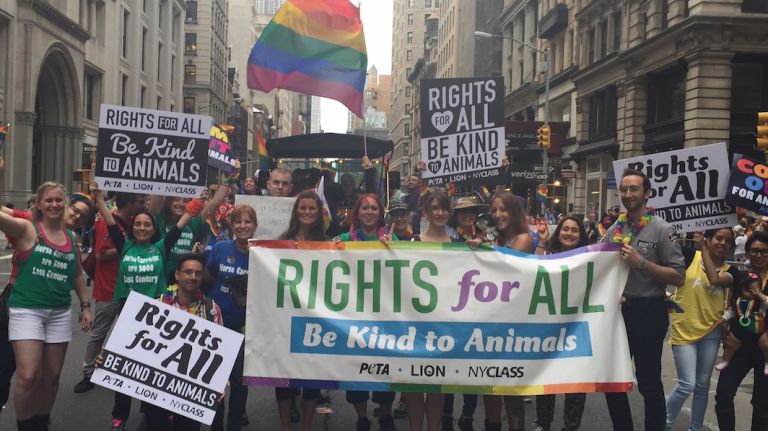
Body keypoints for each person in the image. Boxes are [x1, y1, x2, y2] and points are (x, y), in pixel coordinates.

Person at [93, 182, 220, 431]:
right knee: (124, 364)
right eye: (138, 224)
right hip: (129, 311)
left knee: (155, 364)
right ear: (132, 228)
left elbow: (182, 222)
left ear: (154, 229)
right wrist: (97, 198)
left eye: (147, 225)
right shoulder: (125, 245)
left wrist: (198, 202)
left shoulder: (162, 247)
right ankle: (120, 415)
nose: (142, 228)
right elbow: (109, 221)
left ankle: (156, 410)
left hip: (157, 313)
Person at [2, 182, 93, 431]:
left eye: (59, 200)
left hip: (59, 312)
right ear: (39, 204)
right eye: (49, 200)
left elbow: (75, 273)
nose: (54, 204)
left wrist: (85, 305)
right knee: (29, 374)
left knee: (52, 376)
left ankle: (41, 422)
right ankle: (25, 426)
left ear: (65, 204)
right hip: (27, 310)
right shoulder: (27, 229)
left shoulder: (71, 237)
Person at [603, 169, 685, 431]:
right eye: (624, 189)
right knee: (612, 379)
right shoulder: (616, 227)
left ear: (647, 193)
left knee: (648, 382)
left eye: (634, 189)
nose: (628, 194)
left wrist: (642, 262)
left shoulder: (662, 229)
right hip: (619, 312)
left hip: (649, 311)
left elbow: (678, 276)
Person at [335, 193, 397, 431]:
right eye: (365, 208)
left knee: (386, 366)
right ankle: (362, 417)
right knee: (357, 367)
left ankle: (386, 414)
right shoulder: (343, 238)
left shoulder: (392, 237)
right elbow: (320, 257)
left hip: (385, 315)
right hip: (355, 315)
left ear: (380, 213)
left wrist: (395, 248)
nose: (369, 212)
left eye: (374, 208)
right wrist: (333, 249)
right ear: (357, 213)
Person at [74, 192, 146, 393]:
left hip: (130, 288)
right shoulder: (107, 223)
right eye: (139, 202)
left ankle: (125, 370)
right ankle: (88, 373)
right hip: (109, 288)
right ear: (129, 203)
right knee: (99, 333)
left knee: (132, 334)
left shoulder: (134, 223)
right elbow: (100, 255)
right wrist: (128, 246)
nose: (143, 205)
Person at [665, 228, 737, 431]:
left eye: (728, 241)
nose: (723, 243)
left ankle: (695, 428)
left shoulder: (731, 271)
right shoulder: (689, 256)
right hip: (684, 329)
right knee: (687, 384)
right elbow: (668, 249)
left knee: (702, 385)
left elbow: (715, 280)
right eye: (719, 238)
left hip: (710, 332)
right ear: (709, 238)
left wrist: (703, 247)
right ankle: (663, 423)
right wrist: (674, 235)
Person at [144, 253, 224, 430]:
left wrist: (220, 384)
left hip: (191, 391)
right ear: (177, 275)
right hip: (159, 387)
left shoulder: (212, 309)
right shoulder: (158, 305)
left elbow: (219, 352)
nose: (193, 277)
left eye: (197, 273)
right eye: (188, 272)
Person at [274, 190, 328, 431]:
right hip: (286, 318)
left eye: (311, 209)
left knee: (312, 377)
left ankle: (305, 426)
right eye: (303, 208)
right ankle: (286, 426)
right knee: (283, 377)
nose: (307, 212)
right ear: (296, 212)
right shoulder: (281, 241)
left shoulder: (328, 243)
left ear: (319, 213)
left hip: (316, 318)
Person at [405, 191, 457, 431]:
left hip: (444, 325)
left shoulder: (459, 246)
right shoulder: (412, 242)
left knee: (437, 385)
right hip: (414, 325)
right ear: (426, 212)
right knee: (413, 384)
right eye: (435, 208)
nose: (439, 213)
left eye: (444, 208)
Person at [531, 216, 589, 431]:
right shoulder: (548, 254)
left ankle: (571, 425)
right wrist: (542, 242)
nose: (569, 233)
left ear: (580, 235)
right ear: (559, 232)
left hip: (578, 329)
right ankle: (543, 422)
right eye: (565, 229)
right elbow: (532, 271)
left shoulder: (590, 259)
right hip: (549, 329)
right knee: (546, 377)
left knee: (576, 380)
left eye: (575, 230)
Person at [486, 191, 533, 431]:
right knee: (488, 382)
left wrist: (482, 252)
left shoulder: (523, 238)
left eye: (503, 209)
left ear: (514, 212)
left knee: (510, 386)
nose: (498, 215)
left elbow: (507, 265)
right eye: (494, 210)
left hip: (513, 324)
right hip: (491, 320)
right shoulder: (494, 240)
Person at [208, 205, 257, 431]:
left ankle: (234, 425)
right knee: (215, 380)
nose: (243, 226)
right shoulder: (219, 249)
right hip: (217, 325)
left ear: (255, 226)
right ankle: (215, 426)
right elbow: (207, 280)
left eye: (248, 222)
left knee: (239, 381)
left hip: (245, 327)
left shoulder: (262, 253)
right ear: (231, 225)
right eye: (238, 222)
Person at [441, 195, 488, 430]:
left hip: (476, 308)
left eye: (471, 212)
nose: (467, 215)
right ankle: (446, 415)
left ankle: (467, 415)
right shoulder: (447, 235)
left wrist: (485, 248)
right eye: (463, 212)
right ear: (456, 215)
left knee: (473, 367)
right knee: (449, 367)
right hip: (449, 307)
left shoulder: (485, 235)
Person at [715, 230, 768, 430]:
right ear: (746, 252)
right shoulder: (739, 275)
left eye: (764, 251)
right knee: (724, 395)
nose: (759, 255)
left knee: (762, 405)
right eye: (754, 250)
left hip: (765, 349)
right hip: (738, 346)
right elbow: (716, 282)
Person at [715, 272, 768, 373]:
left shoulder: (761, 302)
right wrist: (723, 319)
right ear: (742, 289)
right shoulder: (738, 301)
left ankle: (767, 362)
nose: (751, 293)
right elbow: (732, 312)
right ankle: (725, 360)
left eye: (755, 290)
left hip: (758, 330)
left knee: (765, 344)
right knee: (731, 344)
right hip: (741, 330)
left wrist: (759, 295)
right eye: (748, 290)